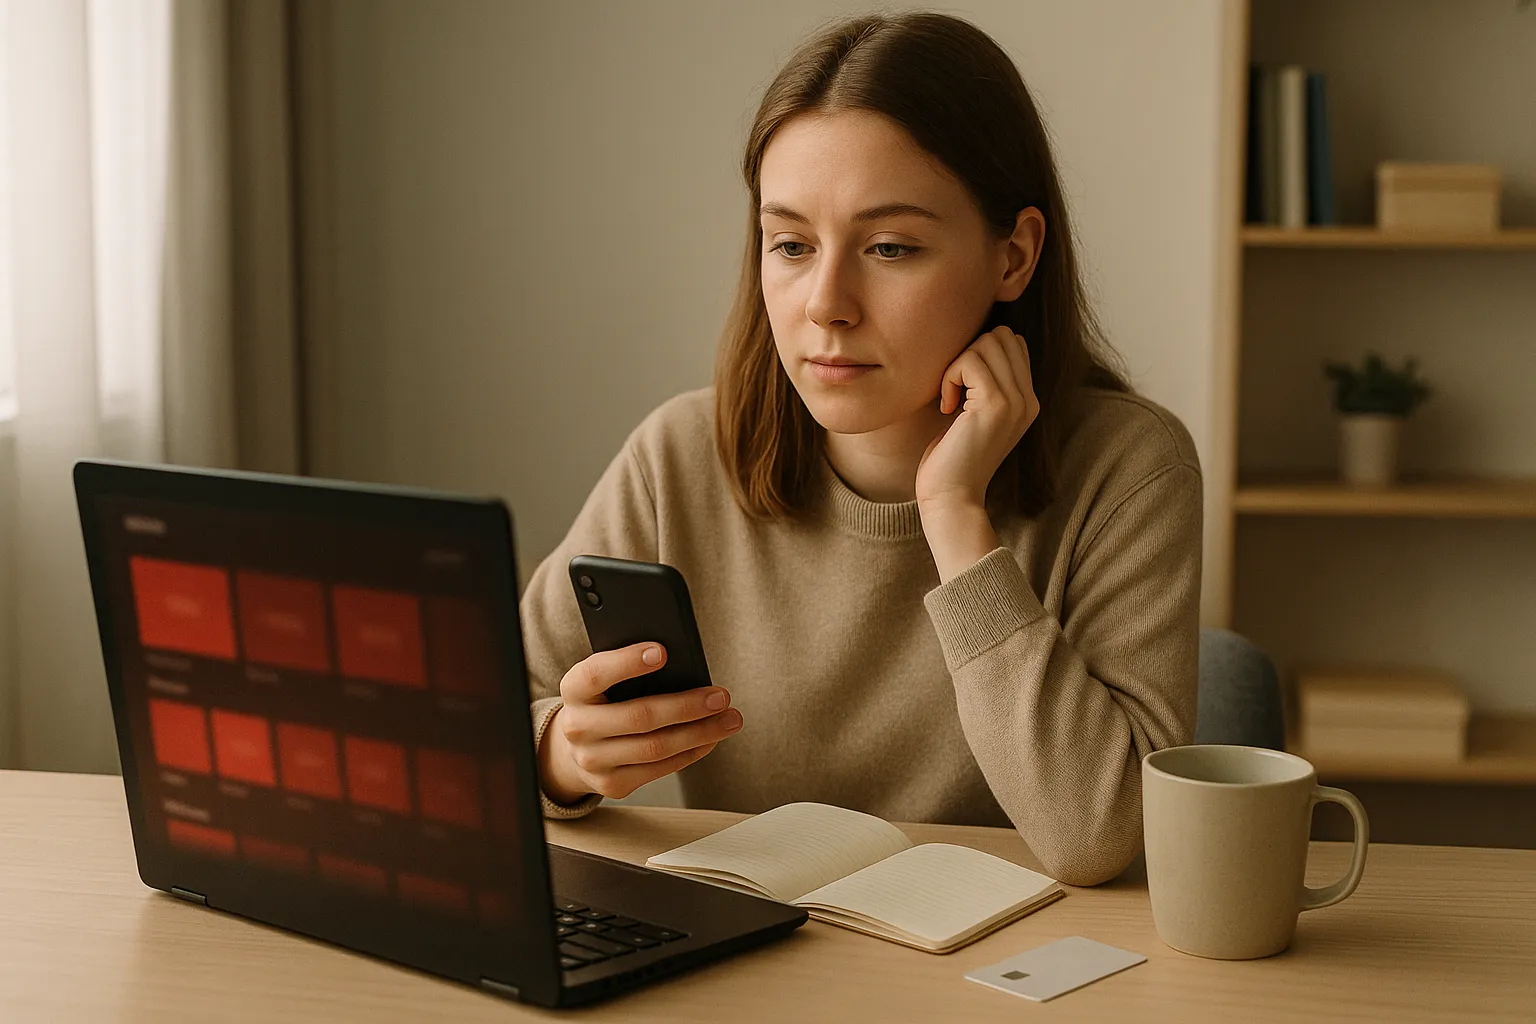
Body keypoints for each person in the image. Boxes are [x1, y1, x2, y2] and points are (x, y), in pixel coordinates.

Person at [520, 11, 1201, 887]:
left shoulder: (1129, 472)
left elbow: (1102, 836)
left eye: (889, 246)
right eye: (792, 245)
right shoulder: (678, 456)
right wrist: (562, 756)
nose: (826, 303)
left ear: (1014, 256)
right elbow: (474, 720)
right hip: (757, 968)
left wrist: (954, 515)